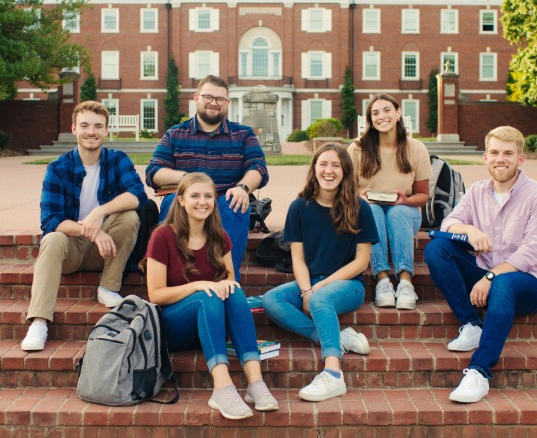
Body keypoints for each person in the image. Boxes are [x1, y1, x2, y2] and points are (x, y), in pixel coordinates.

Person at [424, 126, 537, 403]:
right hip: (488, 276)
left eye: (508, 153)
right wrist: (469, 231)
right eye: (494, 152)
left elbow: (531, 252)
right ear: (485, 157)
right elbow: (447, 223)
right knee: (437, 248)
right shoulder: (476, 192)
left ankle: (479, 371)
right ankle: (472, 325)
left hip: (528, 283)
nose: (500, 159)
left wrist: (491, 277)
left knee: (504, 282)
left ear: (521, 158)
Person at [145, 172, 278, 420]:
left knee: (233, 290)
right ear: (181, 200)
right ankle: (222, 386)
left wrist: (217, 286)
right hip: (174, 326)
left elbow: (228, 280)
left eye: (208, 196)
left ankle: (255, 382)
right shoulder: (162, 236)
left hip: (211, 322)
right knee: (208, 294)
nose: (202, 201)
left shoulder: (219, 236)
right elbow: (156, 294)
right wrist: (200, 285)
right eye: (194, 195)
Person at [21, 101, 147, 352]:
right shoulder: (58, 168)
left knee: (130, 216)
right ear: (74, 129)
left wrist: (100, 212)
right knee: (52, 238)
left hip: (106, 251)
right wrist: (92, 230)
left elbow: (138, 196)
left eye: (98, 126)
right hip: (72, 250)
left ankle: (108, 287)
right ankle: (39, 321)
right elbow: (50, 220)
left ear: (106, 131)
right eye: (85, 125)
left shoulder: (117, 160)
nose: (92, 131)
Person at [262, 143, 379, 402]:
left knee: (320, 299)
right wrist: (306, 289)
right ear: (314, 169)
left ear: (345, 171)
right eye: (323, 164)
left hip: (348, 285)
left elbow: (361, 262)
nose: (329, 170)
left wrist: (318, 289)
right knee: (271, 300)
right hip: (310, 282)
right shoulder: (299, 207)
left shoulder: (360, 208)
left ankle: (333, 373)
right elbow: (298, 259)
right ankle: (338, 337)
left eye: (336, 165)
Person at [145, 75, 268, 281]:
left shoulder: (243, 134)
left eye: (220, 99)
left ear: (227, 103)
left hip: (225, 199)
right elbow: (153, 172)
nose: (214, 103)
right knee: (172, 202)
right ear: (196, 98)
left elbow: (259, 168)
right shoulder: (176, 134)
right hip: (186, 200)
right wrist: (188, 179)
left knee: (236, 203)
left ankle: (227, 282)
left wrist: (243, 188)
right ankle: (176, 280)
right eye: (208, 97)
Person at [347, 94, 431, 310]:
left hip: (405, 212)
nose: (381, 116)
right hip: (368, 210)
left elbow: (423, 195)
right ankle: (382, 279)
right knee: (372, 210)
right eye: (375, 113)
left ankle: (405, 282)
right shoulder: (357, 148)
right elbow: (345, 191)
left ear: (398, 113)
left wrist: (406, 200)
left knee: (396, 213)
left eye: (386, 110)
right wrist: (360, 199)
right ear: (370, 119)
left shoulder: (416, 148)